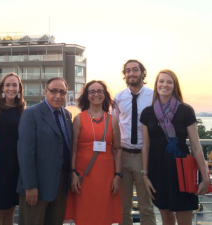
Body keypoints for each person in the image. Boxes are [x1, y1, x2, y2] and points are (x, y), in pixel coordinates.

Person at [140, 69, 209, 225]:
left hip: (182, 169)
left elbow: (196, 146)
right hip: (158, 169)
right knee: (166, 219)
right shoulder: (148, 113)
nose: (165, 85)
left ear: (174, 86)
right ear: (156, 84)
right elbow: (146, 145)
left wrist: (205, 176)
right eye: (161, 81)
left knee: (184, 219)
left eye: (169, 82)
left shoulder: (185, 111)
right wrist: (145, 175)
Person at [64, 80, 122, 225]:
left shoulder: (112, 120)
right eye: (92, 91)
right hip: (83, 175)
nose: (96, 94)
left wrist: (118, 175)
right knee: (83, 214)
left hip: (106, 176)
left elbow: (117, 149)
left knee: (103, 214)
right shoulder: (78, 119)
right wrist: (72, 173)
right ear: (87, 96)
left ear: (105, 95)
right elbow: (74, 148)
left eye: (100, 91)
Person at [17, 77, 72, 225]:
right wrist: (30, 186)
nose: (58, 96)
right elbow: (25, 153)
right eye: (54, 91)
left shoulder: (66, 115)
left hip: (60, 184)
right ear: (46, 91)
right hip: (37, 185)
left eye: (62, 92)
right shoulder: (31, 114)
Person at [112, 59, 156, 225]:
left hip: (143, 157)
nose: (131, 73)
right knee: (123, 206)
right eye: (128, 70)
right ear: (125, 75)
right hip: (123, 155)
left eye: (135, 70)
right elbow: (114, 126)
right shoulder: (119, 97)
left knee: (146, 206)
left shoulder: (153, 96)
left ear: (142, 73)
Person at [0, 73, 25, 225]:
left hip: (16, 166)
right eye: (7, 85)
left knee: (11, 208)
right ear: (2, 88)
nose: (11, 88)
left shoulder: (22, 109)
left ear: (19, 88)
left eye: (15, 85)